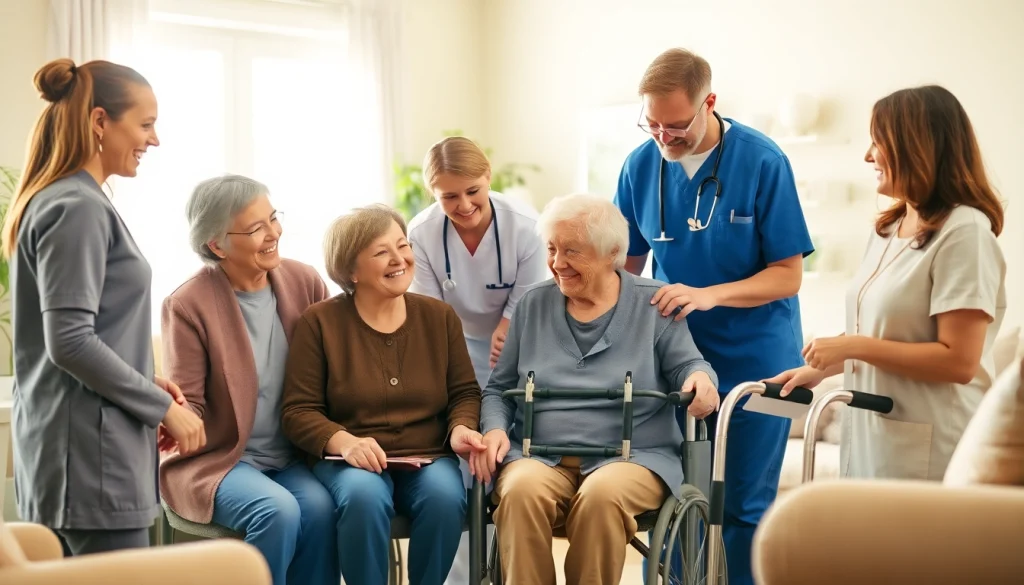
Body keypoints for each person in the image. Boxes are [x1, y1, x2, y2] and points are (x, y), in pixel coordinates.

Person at [612, 48, 814, 585]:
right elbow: (626, 270)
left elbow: (787, 275)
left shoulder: (763, 160)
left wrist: (710, 295)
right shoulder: (639, 166)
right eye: (651, 124)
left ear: (710, 103)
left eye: (675, 125)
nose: (663, 138)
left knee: (745, 506)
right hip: (678, 360)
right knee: (682, 501)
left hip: (760, 357)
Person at [2, 58, 205, 556]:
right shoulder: (77, 207)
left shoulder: (72, 201)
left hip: (81, 454)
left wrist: (143, 377)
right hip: (90, 466)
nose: (153, 140)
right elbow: (70, 341)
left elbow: (87, 329)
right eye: (145, 123)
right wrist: (163, 410)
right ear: (99, 122)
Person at [472, 193, 720, 585]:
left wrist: (702, 380)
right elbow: (499, 389)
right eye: (552, 249)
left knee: (601, 498)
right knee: (518, 491)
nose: (557, 263)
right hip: (537, 456)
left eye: (572, 251)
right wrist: (497, 429)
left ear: (613, 252)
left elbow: (690, 365)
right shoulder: (532, 304)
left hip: (635, 457)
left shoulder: (653, 303)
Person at [767, 85, 1007, 481]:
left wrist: (853, 346)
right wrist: (821, 369)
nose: (868, 155)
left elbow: (959, 361)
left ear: (916, 147)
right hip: (871, 433)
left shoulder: (965, 233)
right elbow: (885, 330)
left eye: (878, 142)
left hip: (931, 443)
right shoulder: (889, 228)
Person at [281, 204, 486, 585]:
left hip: (427, 455)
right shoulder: (319, 323)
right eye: (381, 252)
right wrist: (345, 442)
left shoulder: (439, 317)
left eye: (403, 245)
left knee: (445, 498)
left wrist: (460, 428)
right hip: (350, 461)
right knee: (363, 498)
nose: (399, 259)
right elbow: (298, 411)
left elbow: (464, 393)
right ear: (351, 271)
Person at [158, 175, 340, 585]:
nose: (273, 233)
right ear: (216, 245)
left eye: (273, 219)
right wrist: (164, 411)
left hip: (290, 455)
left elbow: (340, 364)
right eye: (256, 228)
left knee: (320, 509)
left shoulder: (304, 282)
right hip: (220, 458)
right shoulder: (187, 305)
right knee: (276, 511)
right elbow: (190, 404)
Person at [406, 136, 548, 584]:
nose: (464, 205)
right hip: (452, 347)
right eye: (449, 196)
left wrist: (506, 331)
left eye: (473, 191)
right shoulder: (422, 232)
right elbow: (427, 314)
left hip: (518, 345)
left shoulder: (526, 226)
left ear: (488, 178)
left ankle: (505, 569)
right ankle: (463, 577)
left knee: (504, 457)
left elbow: (525, 307)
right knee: (468, 462)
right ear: (433, 192)